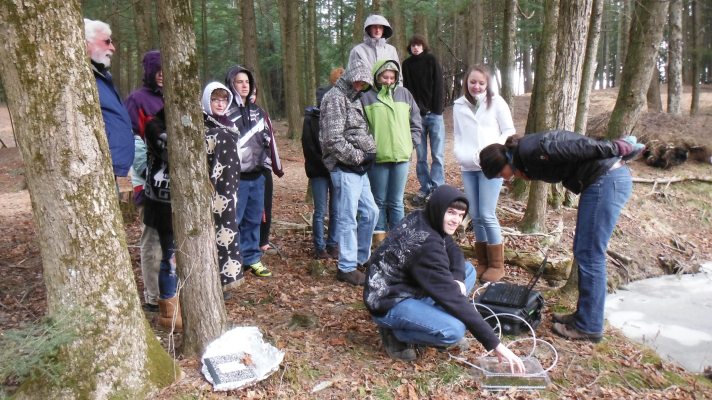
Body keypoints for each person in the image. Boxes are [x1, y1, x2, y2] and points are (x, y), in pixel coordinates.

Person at [479, 131, 644, 342]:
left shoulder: (531, 150)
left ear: (501, 163)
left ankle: (589, 326)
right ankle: (583, 317)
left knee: (591, 255)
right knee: (583, 251)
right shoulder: (525, 156)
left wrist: (617, 148)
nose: (505, 179)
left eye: (501, 174)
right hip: (601, 181)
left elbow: (582, 146)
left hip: (606, 180)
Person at [363, 185, 525, 372]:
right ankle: (396, 334)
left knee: (467, 270)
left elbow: (452, 248)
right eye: (451, 212)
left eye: (460, 214)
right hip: (388, 300)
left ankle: (431, 320)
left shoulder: (424, 217)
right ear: (439, 208)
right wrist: (495, 344)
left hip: (408, 286)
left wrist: (457, 278)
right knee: (454, 331)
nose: (456, 220)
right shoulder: (427, 245)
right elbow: (454, 299)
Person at [452, 65, 516, 283]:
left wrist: (494, 149)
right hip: (468, 165)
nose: (476, 86)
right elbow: (459, 135)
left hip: (492, 165)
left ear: (487, 84)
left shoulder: (497, 102)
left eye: (481, 83)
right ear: (466, 83)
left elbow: (508, 130)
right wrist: (459, 153)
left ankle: (497, 265)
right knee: (476, 215)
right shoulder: (459, 105)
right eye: (472, 82)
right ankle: (483, 262)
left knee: (488, 214)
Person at [319, 58, 379, 286]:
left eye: (364, 82)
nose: (360, 85)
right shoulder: (334, 98)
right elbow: (332, 139)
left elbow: (357, 131)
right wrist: (359, 157)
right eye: (358, 80)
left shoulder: (354, 98)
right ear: (350, 76)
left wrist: (367, 154)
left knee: (371, 212)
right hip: (344, 168)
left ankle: (360, 259)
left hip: (358, 169)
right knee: (347, 217)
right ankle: (346, 267)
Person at [361, 60, 421, 239]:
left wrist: (412, 143)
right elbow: (361, 127)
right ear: (377, 77)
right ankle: (378, 243)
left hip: (401, 156)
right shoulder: (367, 97)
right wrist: (369, 148)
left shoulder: (404, 94)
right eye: (384, 77)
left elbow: (416, 120)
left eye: (391, 77)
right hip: (378, 157)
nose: (388, 80)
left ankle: (398, 241)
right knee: (378, 201)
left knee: (396, 201)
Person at [224, 65, 272, 278]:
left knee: (254, 219)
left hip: (257, 174)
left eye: (247, 82)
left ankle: (252, 258)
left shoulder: (258, 112)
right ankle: (232, 260)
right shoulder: (226, 111)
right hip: (236, 177)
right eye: (239, 82)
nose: (244, 86)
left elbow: (266, 139)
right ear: (232, 84)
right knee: (234, 219)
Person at [124, 50, 164, 312]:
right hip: (149, 180)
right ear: (150, 71)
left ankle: (169, 290)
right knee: (153, 240)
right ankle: (152, 295)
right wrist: (149, 177)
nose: (162, 76)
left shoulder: (175, 96)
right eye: (158, 70)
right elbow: (134, 141)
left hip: (176, 182)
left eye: (166, 70)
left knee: (172, 239)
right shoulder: (137, 100)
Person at [202, 82, 245, 292]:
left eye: (223, 100)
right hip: (212, 189)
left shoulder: (230, 124)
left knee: (228, 230)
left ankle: (226, 279)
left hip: (231, 187)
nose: (220, 104)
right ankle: (213, 280)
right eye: (215, 99)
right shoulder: (202, 123)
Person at [143, 108, 180, 330]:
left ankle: (181, 302)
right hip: (162, 202)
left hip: (184, 203)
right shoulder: (154, 126)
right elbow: (173, 152)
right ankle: (169, 312)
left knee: (182, 254)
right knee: (170, 256)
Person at [302, 70, 346, 260]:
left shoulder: (340, 114)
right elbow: (309, 146)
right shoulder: (311, 119)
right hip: (318, 171)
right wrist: (325, 163)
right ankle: (319, 247)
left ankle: (332, 244)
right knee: (320, 211)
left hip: (336, 169)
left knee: (336, 209)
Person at [84, 18, 134, 179]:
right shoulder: (82, 81)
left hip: (115, 170)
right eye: (107, 42)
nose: (112, 47)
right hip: (100, 172)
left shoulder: (103, 78)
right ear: (86, 42)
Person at [401, 34, 446, 205]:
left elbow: (439, 85)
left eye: (418, 44)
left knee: (437, 154)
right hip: (416, 117)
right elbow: (407, 90)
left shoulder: (431, 60)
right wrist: (413, 111)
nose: (415, 47)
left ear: (423, 46)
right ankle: (425, 186)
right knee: (420, 156)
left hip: (434, 114)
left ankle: (437, 187)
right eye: (413, 45)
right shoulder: (406, 65)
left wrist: (437, 109)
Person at [348, 14, 400, 85]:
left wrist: (397, 92)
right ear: (368, 29)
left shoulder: (391, 50)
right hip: (365, 93)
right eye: (374, 27)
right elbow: (352, 75)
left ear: (384, 29)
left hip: (388, 92)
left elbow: (398, 76)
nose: (377, 30)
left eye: (380, 27)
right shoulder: (357, 51)